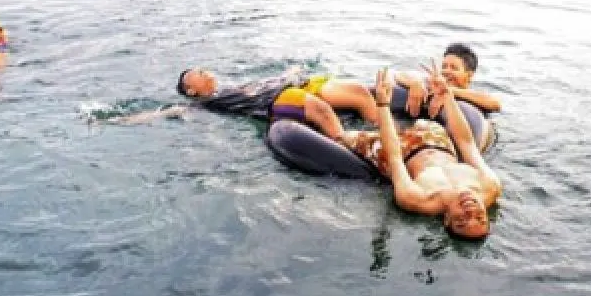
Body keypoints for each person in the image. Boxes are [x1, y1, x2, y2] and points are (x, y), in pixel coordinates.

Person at [350, 62, 502, 240]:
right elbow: (466, 143)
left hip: (402, 152)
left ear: (446, 220)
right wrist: (447, 96)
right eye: (480, 218)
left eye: (462, 220)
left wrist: (383, 104)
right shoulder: (490, 185)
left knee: (343, 137)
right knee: (424, 121)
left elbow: (395, 157)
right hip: (436, 141)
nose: (471, 211)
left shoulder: (416, 199)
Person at [121, 67, 376, 145]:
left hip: (298, 84)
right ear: (192, 91)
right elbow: (170, 111)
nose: (205, 71)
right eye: (198, 73)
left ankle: (384, 130)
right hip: (277, 99)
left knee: (360, 93)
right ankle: (351, 146)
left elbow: (262, 82)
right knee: (322, 111)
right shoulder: (208, 102)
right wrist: (122, 120)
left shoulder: (230, 87)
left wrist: (289, 73)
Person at [395, 43, 501, 118]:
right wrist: (416, 83)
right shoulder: (431, 85)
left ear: (469, 75)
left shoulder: (473, 96)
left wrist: (447, 91)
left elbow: (495, 104)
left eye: (454, 68)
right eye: (444, 66)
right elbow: (399, 75)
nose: (446, 71)